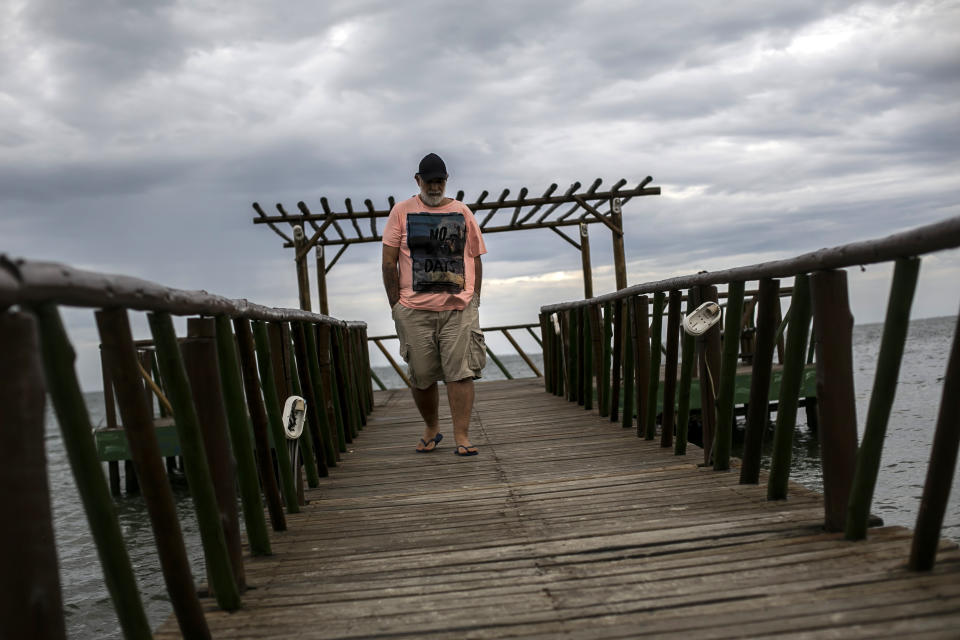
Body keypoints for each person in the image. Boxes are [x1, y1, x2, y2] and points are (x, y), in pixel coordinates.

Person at [381, 153, 487, 456]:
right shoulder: (401, 212)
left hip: (458, 308)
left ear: (446, 181)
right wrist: (396, 307)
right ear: (418, 181)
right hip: (414, 310)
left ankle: (462, 436)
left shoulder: (462, 212)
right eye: (429, 181)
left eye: (440, 181)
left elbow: (476, 258)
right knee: (422, 375)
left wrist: (474, 299)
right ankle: (431, 426)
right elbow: (389, 263)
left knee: (461, 372)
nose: (435, 186)